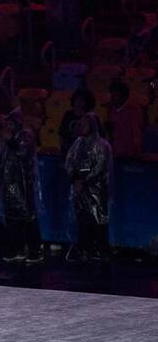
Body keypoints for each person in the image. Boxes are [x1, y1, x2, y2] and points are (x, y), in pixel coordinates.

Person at [0, 110, 42, 262]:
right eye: (7, 124)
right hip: (9, 186)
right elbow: (0, 164)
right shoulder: (4, 142)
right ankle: (17, 249)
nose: (8, 127)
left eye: (11, 124)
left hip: (23, 185)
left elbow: (23, 154)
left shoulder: (24, 136)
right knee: (11, 217)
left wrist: (10, 141)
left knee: (27, 216)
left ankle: (35, 250)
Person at [64, 112, 111, 262]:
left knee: (97, 219)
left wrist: (84, 181)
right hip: (80, 188)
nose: (82, 126)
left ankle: (99, 250)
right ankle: (84, 249)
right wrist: (74, 178)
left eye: (85, 123)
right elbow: (69, 162)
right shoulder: (77, 143)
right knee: (82, 218)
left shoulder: (102, 145)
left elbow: (101, 167)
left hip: (96, 189)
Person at [106, 81, 145, 160]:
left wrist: (135, 151)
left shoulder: (133, 110)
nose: (113, 98)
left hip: (129, 153)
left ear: (124, 96)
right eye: (111, 95)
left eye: (116, 95)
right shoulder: (111, 110)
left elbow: (136, 133)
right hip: (114, 152)